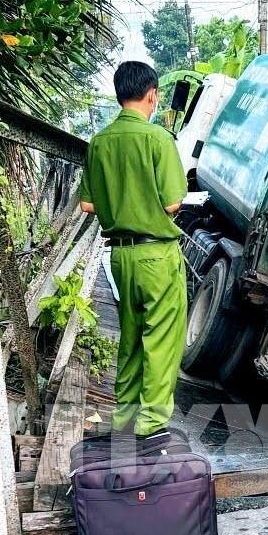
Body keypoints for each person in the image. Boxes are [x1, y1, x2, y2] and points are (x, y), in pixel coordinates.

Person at [79, 60, 188, 436]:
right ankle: (151, 425)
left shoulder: (100, 142)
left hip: (120, 256)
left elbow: (87, 205)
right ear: (152, 95)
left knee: (131, 338)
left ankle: (124, 417)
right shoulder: (158, 139)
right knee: (161, 339)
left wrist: (120, 202)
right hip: (156, 254)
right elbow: (173, 202)